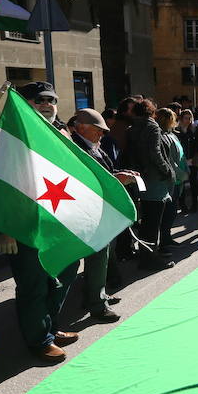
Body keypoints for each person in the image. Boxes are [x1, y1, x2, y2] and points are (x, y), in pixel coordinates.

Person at [7, 82, 79, 363]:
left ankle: (50, 327)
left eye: (52, 99)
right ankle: (39, 340)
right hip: (26, 225)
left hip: (60, 223)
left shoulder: (62, 133)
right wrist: (3, 230)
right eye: (39, 100)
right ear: (25, 105)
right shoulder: (10, 136)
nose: (47, 104)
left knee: (57, 280)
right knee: (33, 285)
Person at [71, 108, 136, 322]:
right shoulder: (76, 148)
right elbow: (89, 181)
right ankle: (97, 305)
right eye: (97, 130)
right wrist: (118, 180)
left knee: (101, 258)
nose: (102, 134)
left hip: (99, 211)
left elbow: (105, 172)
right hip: (88, 213)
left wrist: (119, 175)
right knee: (97, 258)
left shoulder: (93, 145)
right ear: (81, 128)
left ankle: (96, 295)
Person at [127, 99, 176, 271]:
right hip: (155, 179)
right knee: (153, 222)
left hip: (141, 178)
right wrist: (167, 171)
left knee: (147, 220)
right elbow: (155, 153)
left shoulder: (132, 129)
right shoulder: (152, 126)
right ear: (151, 112)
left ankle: (146, 256)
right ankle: (149, 258)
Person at [157, 109, 188, 249]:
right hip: (172, 179)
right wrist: (182, 174)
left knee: (172, 210)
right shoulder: (162, 136)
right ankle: (164, 240)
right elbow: (169, 161)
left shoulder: (171, 135)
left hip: (177, 178)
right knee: (168, 212)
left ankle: (166, 237)